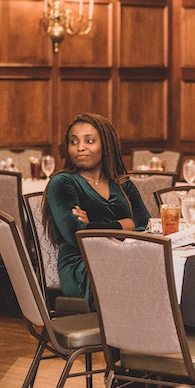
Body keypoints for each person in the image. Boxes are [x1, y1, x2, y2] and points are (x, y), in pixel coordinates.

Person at [43, 112, 151, 306]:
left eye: (89, 141)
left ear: (106, 144)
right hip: (82, 267)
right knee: (136, 280)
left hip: (126, 258)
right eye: (73, 142)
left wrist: (93, 224)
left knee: (160, 274)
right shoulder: (62, 182)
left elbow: (145, 225)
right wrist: (124, 225)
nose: (80, 147)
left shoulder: (122, 184)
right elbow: (79, 235)